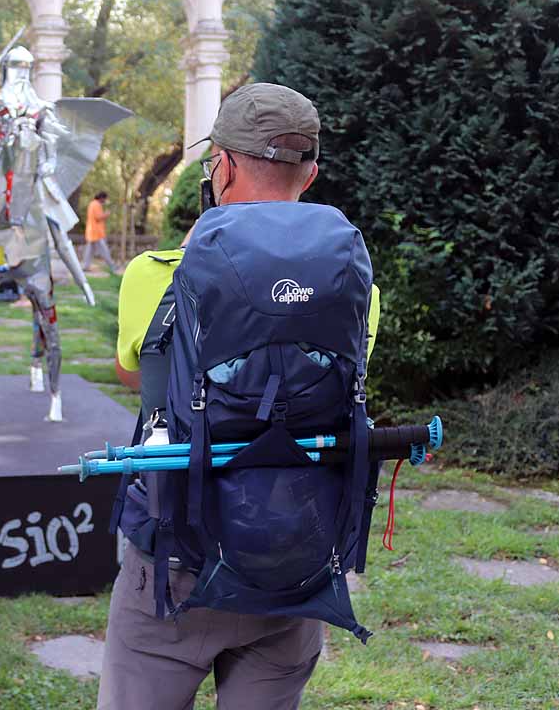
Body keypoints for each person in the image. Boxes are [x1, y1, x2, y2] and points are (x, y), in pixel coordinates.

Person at [99, 83, 380, 710]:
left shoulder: (155, 274)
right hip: (294, 555)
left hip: (174, 561)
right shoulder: (353, 284)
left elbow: (135, 375)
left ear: (220, 166)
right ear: (310, 173)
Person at [81, 191, 116, 274]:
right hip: (96, 232)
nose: (105, 201)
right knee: (104, 250)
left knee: (89, 250)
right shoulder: (96, 205)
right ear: (101, 198)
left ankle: (86, 266)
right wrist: (106, 214)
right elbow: (98, 217)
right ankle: (111, 265)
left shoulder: (92, 204)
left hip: (91, 231)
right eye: (105, 199)